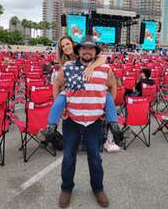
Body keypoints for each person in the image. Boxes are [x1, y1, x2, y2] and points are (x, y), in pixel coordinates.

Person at [56, 36, 116, 207]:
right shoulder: (69, 66)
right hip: (72, 120)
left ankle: (98, 188)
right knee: (68, 158)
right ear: (79, 51)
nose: (87, 51)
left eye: (91, 49)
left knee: (95, 158)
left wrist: (107, 109)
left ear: (95, 51)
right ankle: (66, 188)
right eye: (84, 48)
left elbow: (113, 86)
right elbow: (57, 83)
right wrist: (61, 110)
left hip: (94, 121)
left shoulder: (104, 68)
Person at [42, 36, 119, 141]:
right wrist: (62, 108)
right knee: (62, 98)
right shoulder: (67, 63)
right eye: (63, 46)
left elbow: (102, 57)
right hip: (72, 92)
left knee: (106, 97)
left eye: (67, 44)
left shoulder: (90, 56)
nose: (66, 48)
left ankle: (113, 126)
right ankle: (51, 127)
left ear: (74, 44)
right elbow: (57, 83)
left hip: (91, 91)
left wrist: (91, 67)